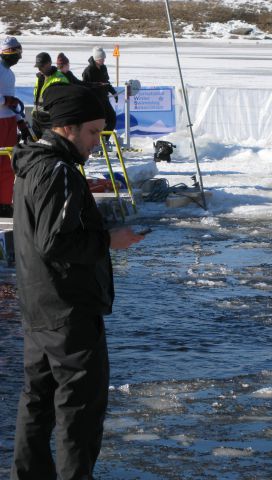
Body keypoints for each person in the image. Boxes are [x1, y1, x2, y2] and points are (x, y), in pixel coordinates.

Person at [10, 83, 145, 480]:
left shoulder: (31, 166)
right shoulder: (58, 172)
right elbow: (55, 242)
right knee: (79, 411)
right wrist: (108, 240)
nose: (95, 142)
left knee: (37, 403)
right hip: (68, 310)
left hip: (39, 306)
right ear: (67, 128)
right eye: (92, 133)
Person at [0, 36, 29, 218]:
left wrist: (20, 121)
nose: (19, 57)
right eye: (17, 53)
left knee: (8, 165)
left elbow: (12, 102)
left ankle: (4, 203)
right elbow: (6, 100)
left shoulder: (9, 73)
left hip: (9, 122)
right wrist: (4, 100)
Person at [32, 51, 69, 139]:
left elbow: (63, 103)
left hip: (50, 120)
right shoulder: (40, 77)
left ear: (49, 64)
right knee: (35, 147)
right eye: (38, 66)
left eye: (41, 66)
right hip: (36, 119)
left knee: (49, 148)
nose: (39, 69)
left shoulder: (59, 78)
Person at [82, 46, 117, 132]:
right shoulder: (88, 71)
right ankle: (97, 140)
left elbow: (107, 82)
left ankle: (105, 139)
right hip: (95, 101)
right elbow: (85, 86)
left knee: (112, 118)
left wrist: (113, 92)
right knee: (100, 121)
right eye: (102, 58)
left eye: (104, 58)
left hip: (104, 99)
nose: (104, 60)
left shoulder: (103, 68)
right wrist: (97, 86)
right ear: (96, 59)